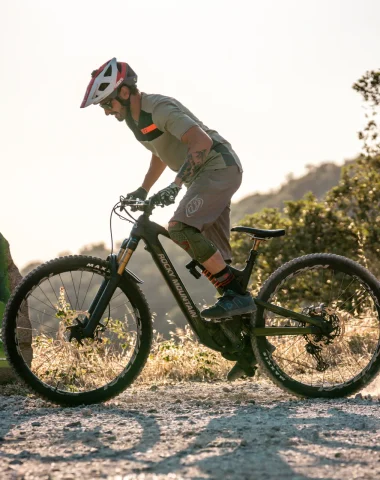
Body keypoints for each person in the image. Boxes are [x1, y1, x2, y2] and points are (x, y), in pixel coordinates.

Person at [80, 58, 256, 322]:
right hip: (201, 178)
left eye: (107, 102)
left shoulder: (159, 108)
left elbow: (201, 141)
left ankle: (238, 297)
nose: (106, 111)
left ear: (125, 92)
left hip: (218, 167)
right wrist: (143, 189)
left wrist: (175, 186)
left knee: (179, 228)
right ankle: (246, 333)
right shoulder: (134, 120)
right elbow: (160, 154)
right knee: (214, 258)